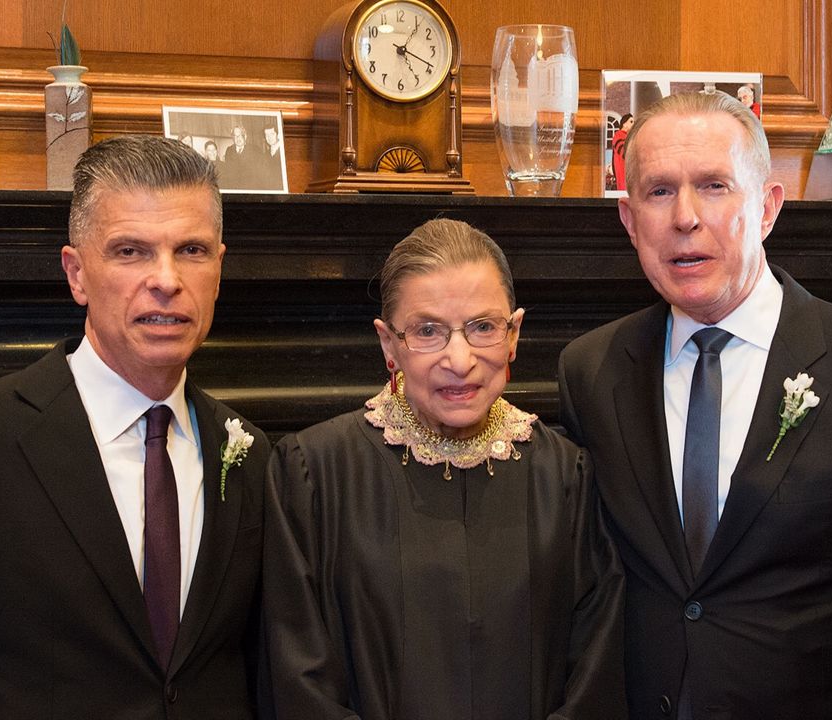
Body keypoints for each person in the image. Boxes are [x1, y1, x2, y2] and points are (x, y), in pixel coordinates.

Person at [557, 90, 832, 719]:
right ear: (629, 220)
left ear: (767, 207)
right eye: (658, 192)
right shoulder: (591, 372)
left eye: (715, 186)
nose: (685, 217)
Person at [0, 135, 270, 719]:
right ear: (77, 274)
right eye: (131, 251)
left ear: (219, 268)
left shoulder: (249, 453)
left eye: (190, 249)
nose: (166, 279)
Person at [262, 218, 626, 720]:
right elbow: (296, 677)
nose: (460, 359)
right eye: (428, 331)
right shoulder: (313, 473)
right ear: (390, 345)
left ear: (514, 333)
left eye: (483, 327)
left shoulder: (567, 477)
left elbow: (596, 669)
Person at [610, 113, 633, 191]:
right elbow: (624, 152)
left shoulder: (625, 136)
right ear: (624, 123)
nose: (633, 124)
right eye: (631, 122)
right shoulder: (619, 135)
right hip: (623, 173)